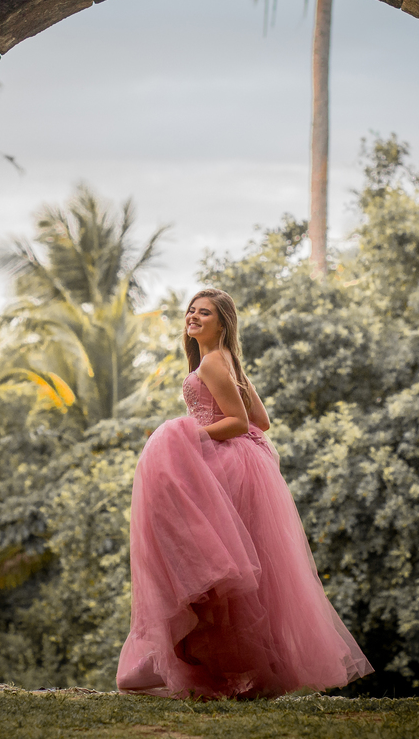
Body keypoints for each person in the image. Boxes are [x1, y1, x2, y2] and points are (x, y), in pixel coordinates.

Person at [116, 288, 373, 699]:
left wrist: (185, 437)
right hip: (236, 467)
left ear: (222, 322)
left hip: (221, 466)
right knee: (224, 571)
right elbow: (262, 420)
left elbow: (238, 422)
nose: (194, 317)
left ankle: (194, 661)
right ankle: (217, 665)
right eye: (191, 311)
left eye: (205, 313)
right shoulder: (225, 361)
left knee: (205, 567)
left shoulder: (215, 362)